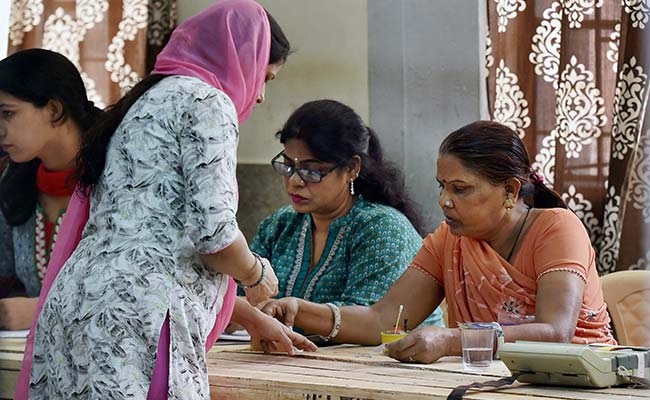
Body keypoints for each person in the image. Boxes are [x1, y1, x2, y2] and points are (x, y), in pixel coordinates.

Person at [17, 1, 315, 399]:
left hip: (78, 309)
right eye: (265, 77)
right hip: (138, 320)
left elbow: (149, 241)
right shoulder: (210, 102)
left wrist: (250, 318)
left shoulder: (140, 102)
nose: (259, 95)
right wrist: (257, 276)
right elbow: (215, 239)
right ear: (238, 58)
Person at [262, 120, 616, 364]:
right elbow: (382, 319)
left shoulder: (557, 228)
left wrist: (451, 341)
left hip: (577, 384)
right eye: (441, 186)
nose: (444, 201)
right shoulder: (450, 240)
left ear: (509, 190)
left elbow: (555, 333)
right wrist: (300, 310)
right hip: (490, 385)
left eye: (460, 189)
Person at [247, 99, 443, 330]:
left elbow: (370, 324)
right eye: (288, 166)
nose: (295, 181)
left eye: (312, 171)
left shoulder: (381, 228)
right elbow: (243, 295)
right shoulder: (279, 226)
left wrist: (292, 312)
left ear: (351, 168)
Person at [0, 48, 103, 330]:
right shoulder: (14, 180)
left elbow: (139, 286)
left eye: (7, 113)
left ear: (55, 110)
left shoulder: (116, 177)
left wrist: (39, 309)